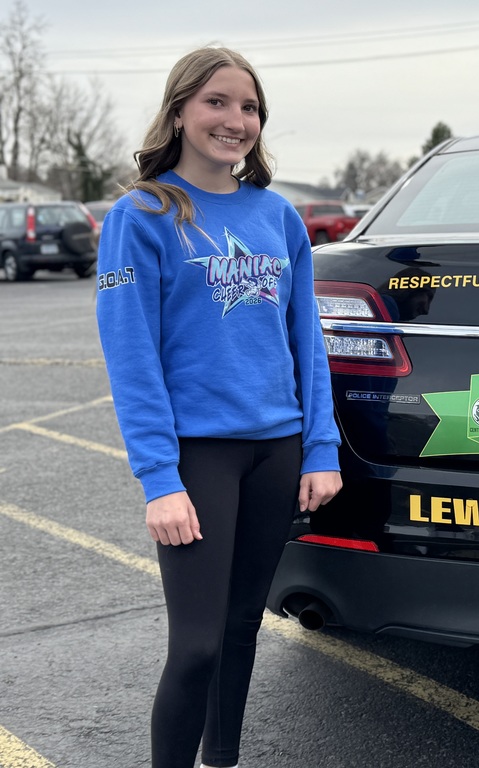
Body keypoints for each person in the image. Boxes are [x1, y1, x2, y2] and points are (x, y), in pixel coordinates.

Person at [95, 47, 342, 768]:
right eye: (216, 103)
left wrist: (320, 449)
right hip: (198, 456)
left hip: (278, 449)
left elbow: (307, 341)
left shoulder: (278, 217)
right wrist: (158, 478)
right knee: (198, 643)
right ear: (178, 111)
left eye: (250, 108)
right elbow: (131, 357)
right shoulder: (141, 215)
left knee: (240, 630)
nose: (235, 121)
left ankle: (222, 760)